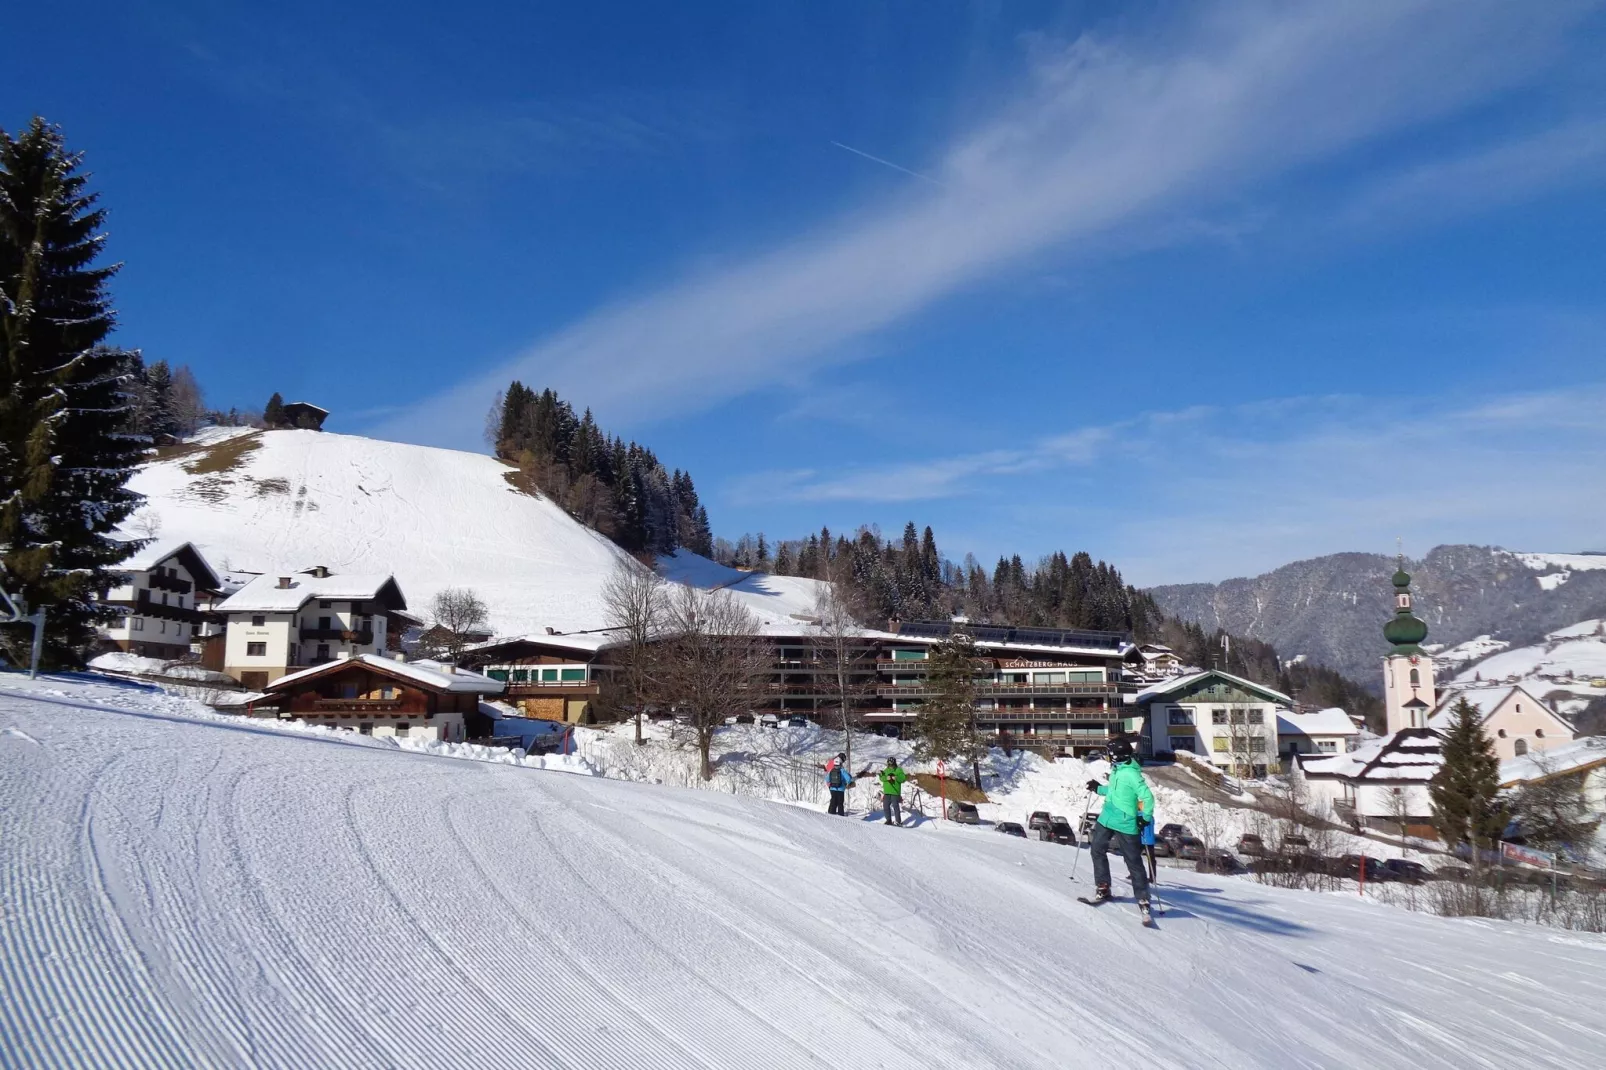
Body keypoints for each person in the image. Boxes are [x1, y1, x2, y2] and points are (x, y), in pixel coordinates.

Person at [1084, 737, 1156, 915]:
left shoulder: (1131, 773)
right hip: (1107, 817)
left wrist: (1145, 817)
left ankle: (1143, 897)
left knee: (1133, 860)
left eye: (1109, 753)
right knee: (1096, 849)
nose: (1107, 756)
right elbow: (1114, 790)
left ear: (1116, 755)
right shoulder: (1117, 769)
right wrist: (1098, 788)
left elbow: (1147, 798)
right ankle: (1103, 886)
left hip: (1125, 821)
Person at [877, 757, 909, 826]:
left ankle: (898, 821)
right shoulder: (886, 770)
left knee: (895, 806)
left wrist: (896, 778)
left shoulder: (898, 770)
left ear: (894, 763)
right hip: (887, 792)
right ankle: (888, 820)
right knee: (885, 806)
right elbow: (882, 778)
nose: (890, 766)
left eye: (892, 764)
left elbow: (903, 778)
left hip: (895, 792)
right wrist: (886, 778)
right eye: (889, 764)